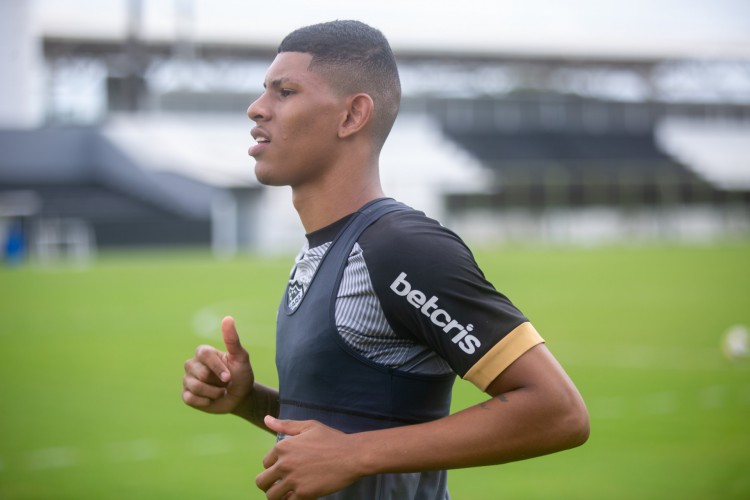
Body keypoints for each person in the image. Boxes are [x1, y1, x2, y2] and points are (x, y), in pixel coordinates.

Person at [182, 20, 589, 500]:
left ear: (353, 115)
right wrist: (249, 401)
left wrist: (354, 456)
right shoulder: (323, 249)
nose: (257, 108)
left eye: (285, 91)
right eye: (263, 92)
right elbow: (349, 424)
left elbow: (558, 411)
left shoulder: (400, 246)